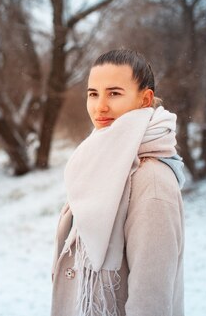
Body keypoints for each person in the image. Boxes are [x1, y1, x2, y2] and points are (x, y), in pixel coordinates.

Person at [50, 48, 186, 316]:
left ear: (145, 99)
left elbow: (151, 300)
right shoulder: (100, 160)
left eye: (114, 93)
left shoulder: (152, 179)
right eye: (93, 94)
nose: (100, 106)